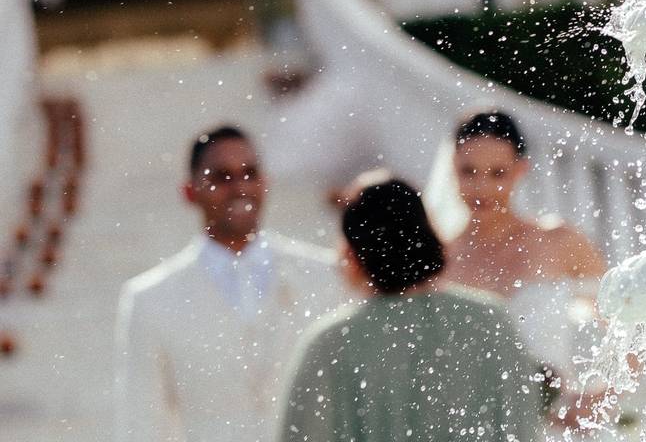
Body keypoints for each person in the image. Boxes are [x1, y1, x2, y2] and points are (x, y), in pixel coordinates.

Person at [115, 126, 348, 442]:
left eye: (249, 173)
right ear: (190, 191)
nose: (240, 187)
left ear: (265, 183)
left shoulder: (327, 276)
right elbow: (141, 426)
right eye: (221, 177)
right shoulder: (150, 300)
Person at [280, 175, 544, 442]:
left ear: (352, 253)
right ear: (428, 233)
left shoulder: (332, 345)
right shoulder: (490, 322)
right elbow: (523, 427)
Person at [442, 111, 608, 430]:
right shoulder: (441, 259)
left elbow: (628, 327)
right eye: (469, 171)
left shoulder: (559, 242)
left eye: (497, 173)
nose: (481, 186)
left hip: (548, 426)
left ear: (520, 170)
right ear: (452, 168)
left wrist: (599, 401)